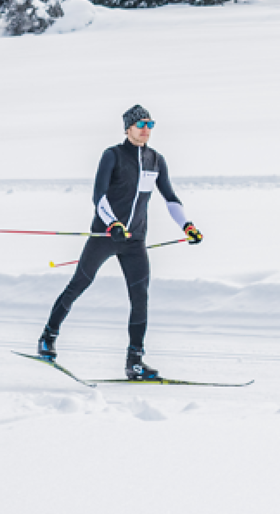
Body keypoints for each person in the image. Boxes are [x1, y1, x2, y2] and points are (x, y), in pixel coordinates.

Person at [36, 104, 203, 380]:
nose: (146, 130)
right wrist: (112, 223)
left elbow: (170, 198)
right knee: (80, 283)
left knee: (140, 298)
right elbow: (98, 196)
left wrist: (187, 225)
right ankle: (47, 338)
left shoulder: (156, 160)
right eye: (141, 125)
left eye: (151, 125)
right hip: (106, 235)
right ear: (128, 128)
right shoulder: (112, 155)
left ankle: (135, 362)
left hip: (134, 241)